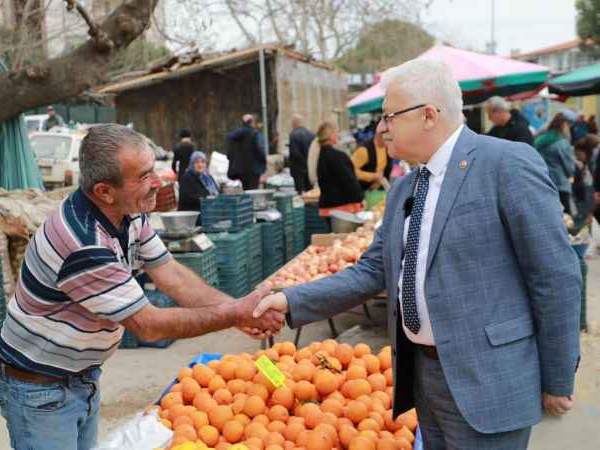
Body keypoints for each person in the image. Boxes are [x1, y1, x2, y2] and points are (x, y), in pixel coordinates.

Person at [254, 59, 581, 450]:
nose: (380, 128)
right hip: (424, 379)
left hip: (489, 382)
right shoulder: (405, 189)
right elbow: (372, 271)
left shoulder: (506, 164)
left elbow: (555, 276)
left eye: (389, 116)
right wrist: (290, 299)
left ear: (428, 115)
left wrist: (558, 378)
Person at [0, 124, 283, 450]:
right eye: (143, 176)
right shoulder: (84, 244)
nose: (156, 182)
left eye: (153, 169)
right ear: (104, 191)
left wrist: (239, 310)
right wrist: (233, 314)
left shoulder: (127, 212)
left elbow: (170, 274)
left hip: (79, 375)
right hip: (39, 387)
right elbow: (149, 325)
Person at [570, 139, 596, 331]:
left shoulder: (578, 168)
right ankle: (580, 322)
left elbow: (587, 196)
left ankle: (580, 322)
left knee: (579, 267)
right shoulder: (581, 168)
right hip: (578, 222)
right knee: (580, 267)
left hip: (576, 223)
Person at [315, 121, 363, 217]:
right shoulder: (337, 156)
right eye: (336, 132)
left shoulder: (321, 155)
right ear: (331, 136)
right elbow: (349, 182)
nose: (338, 135)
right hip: (343, 208)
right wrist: (360, 198)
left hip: (327, 207)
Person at [534, 111, 577, 214]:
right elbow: (570, 168)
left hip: (543, 182)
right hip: (560, 184)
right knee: (565, 218)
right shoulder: (562, 143)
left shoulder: (540, 139)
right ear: (564, 125)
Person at [227, 114, 267, 190]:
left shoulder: (234, 136)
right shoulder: (254, 134)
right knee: (253, 192)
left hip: (240, 170)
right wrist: (264, 161)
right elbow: (260, 150)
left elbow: (229, 154)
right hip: (254, 169)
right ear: (252, 123)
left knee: (246, 190)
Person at [288, 114, 314, 193]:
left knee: (300, 191)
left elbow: (295, 152)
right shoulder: (311, 134)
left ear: (294, 123)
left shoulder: (293, 134)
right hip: (309, 166)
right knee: (310, 189)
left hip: (298, 167)